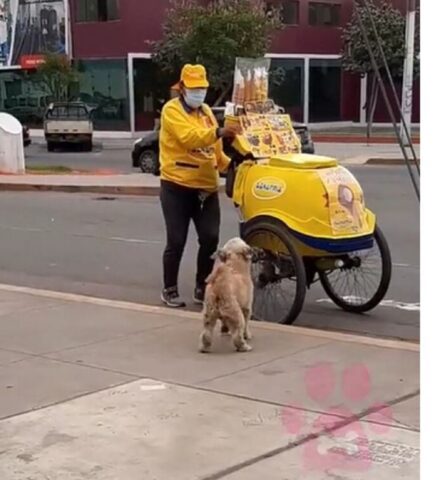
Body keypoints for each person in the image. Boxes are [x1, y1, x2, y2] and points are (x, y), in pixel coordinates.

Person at [159, 64, 240, 308]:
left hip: (205, 189)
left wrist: (234, 164)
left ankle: (201, 286)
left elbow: (214, 154)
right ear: (182, 88)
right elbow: (189, 138)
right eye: (194, 88)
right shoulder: (171, 111)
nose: (199, 93)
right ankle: (169, 289)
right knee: (176, 240)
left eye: (202, 88)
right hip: (177, 186)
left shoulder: (205, 111)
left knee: (210, 238)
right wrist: (219, 131)